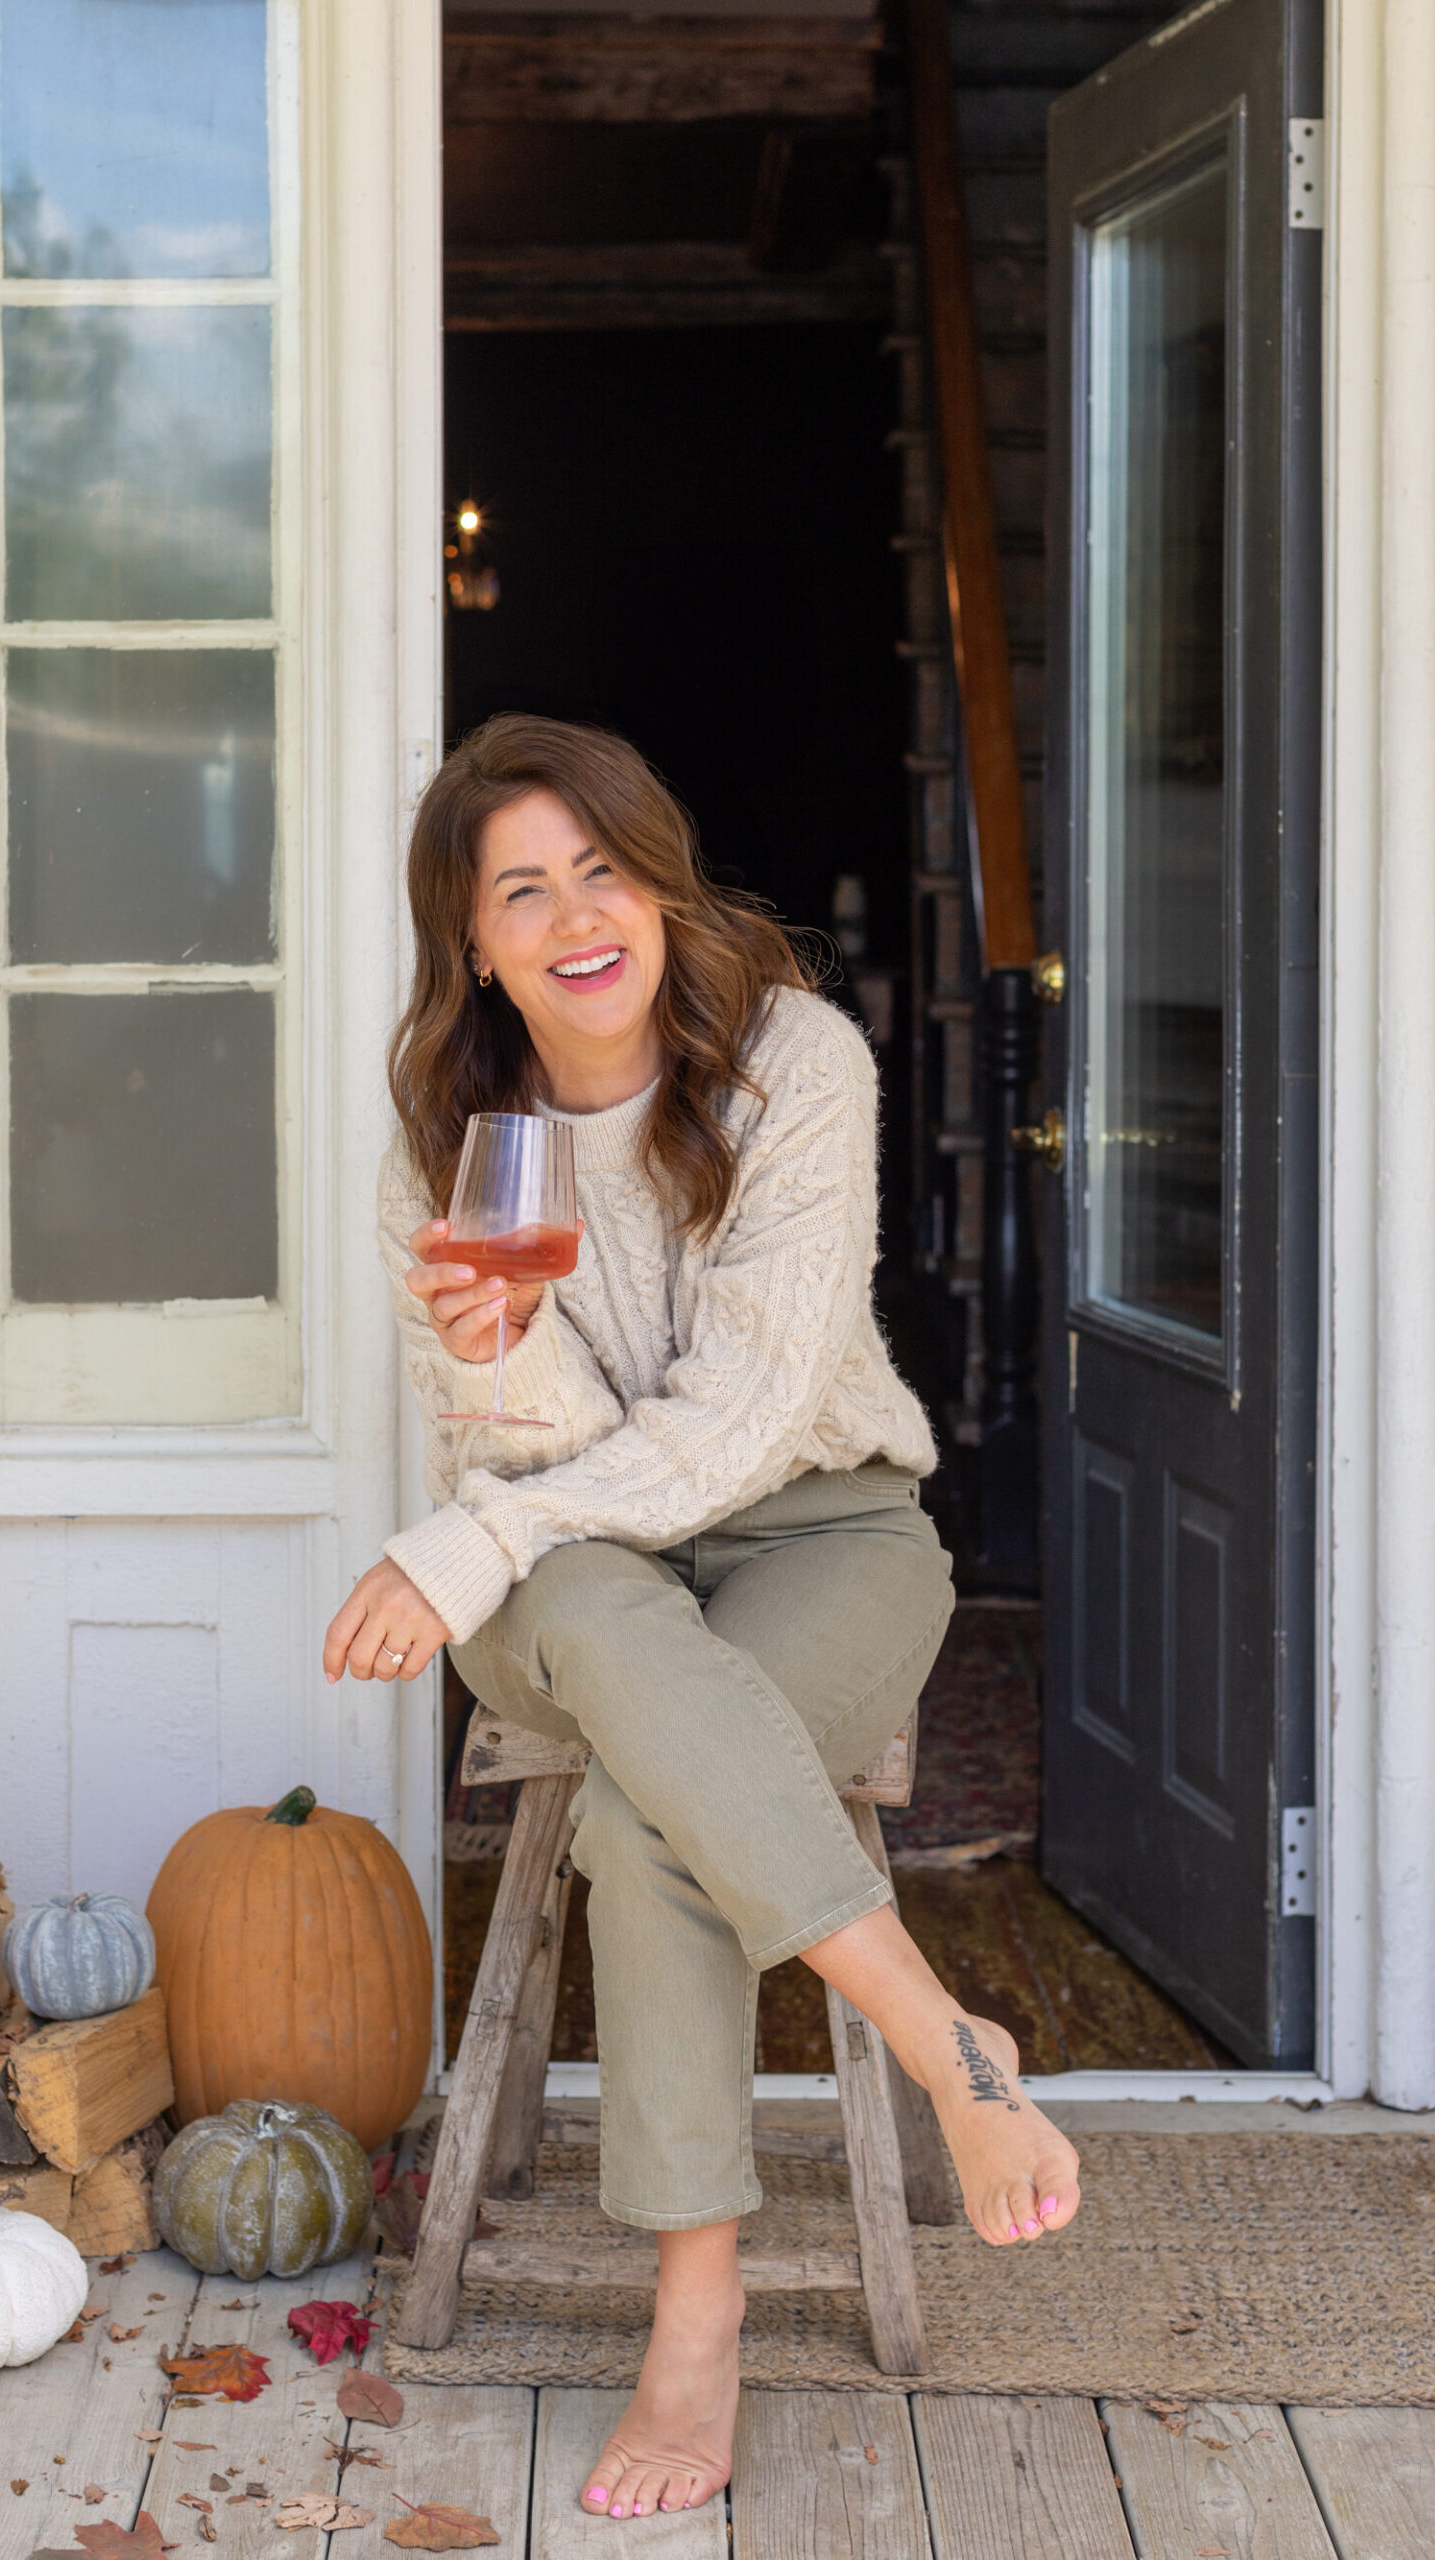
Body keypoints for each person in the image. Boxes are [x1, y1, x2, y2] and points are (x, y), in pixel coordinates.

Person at [323, 715, 1081, 2520]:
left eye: (605, 868)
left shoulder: (793, 1067)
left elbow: (747, 1416)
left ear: (660, 883)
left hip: (825, 1525)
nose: (579, 916)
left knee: (655, 1803)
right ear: (474, 943)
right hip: (577, 1576)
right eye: (525, 890)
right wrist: (498, 1382)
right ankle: (942, 2038)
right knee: (608, 1619)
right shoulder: (447, 1148)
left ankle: (696, 2319)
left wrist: (460, 1542)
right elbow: (562, 1482)